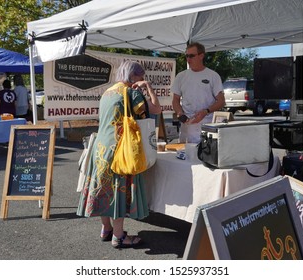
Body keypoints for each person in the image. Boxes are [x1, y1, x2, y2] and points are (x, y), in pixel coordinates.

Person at [76, 60, 161, 249]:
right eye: (141, 76)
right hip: (119, 149)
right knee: (118, 192)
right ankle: (119, 236)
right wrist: (148, 87)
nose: (142, 80)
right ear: (134, 76)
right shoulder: (131, 92)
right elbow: (156, 110)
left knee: (103, 190)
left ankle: (106, 229)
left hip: (99, 148)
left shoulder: (107, 92)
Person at [171, 42, 225, 143]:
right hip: (186, 126)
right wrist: (180, 113)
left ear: (201, 56)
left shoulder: (213, 76)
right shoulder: (181, 76)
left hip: (207, 126)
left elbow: (221, 101)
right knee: (185, 156)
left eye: (191, 56)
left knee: (204, 156)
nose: (188, 59)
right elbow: (175, 100)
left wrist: (206, 111)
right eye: (187, 56)